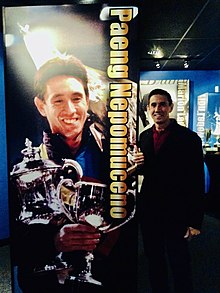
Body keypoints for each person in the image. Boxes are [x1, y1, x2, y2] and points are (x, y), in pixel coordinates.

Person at [11, 55, 136, 293]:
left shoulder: (115, 156)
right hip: (48, 285)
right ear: (41, 106)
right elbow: (16, 244)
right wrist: (53, 241)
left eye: (77, 98)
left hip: (108, 279)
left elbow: (129, 221)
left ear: (87, 100)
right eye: (57, 100)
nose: (70, 109)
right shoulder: (24, 169)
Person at [133, 88, 205, 293]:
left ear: (171, 107)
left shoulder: (189, 138)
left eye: (162, 104)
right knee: (154, 261)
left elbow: (196, 181)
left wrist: (195, 221)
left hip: (177, 211)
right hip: (150, 211)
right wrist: (137, 165)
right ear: (147, 109)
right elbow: (149, 170)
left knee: (179, 262)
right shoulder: (144, 137)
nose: (158, 109)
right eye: (153, 105)